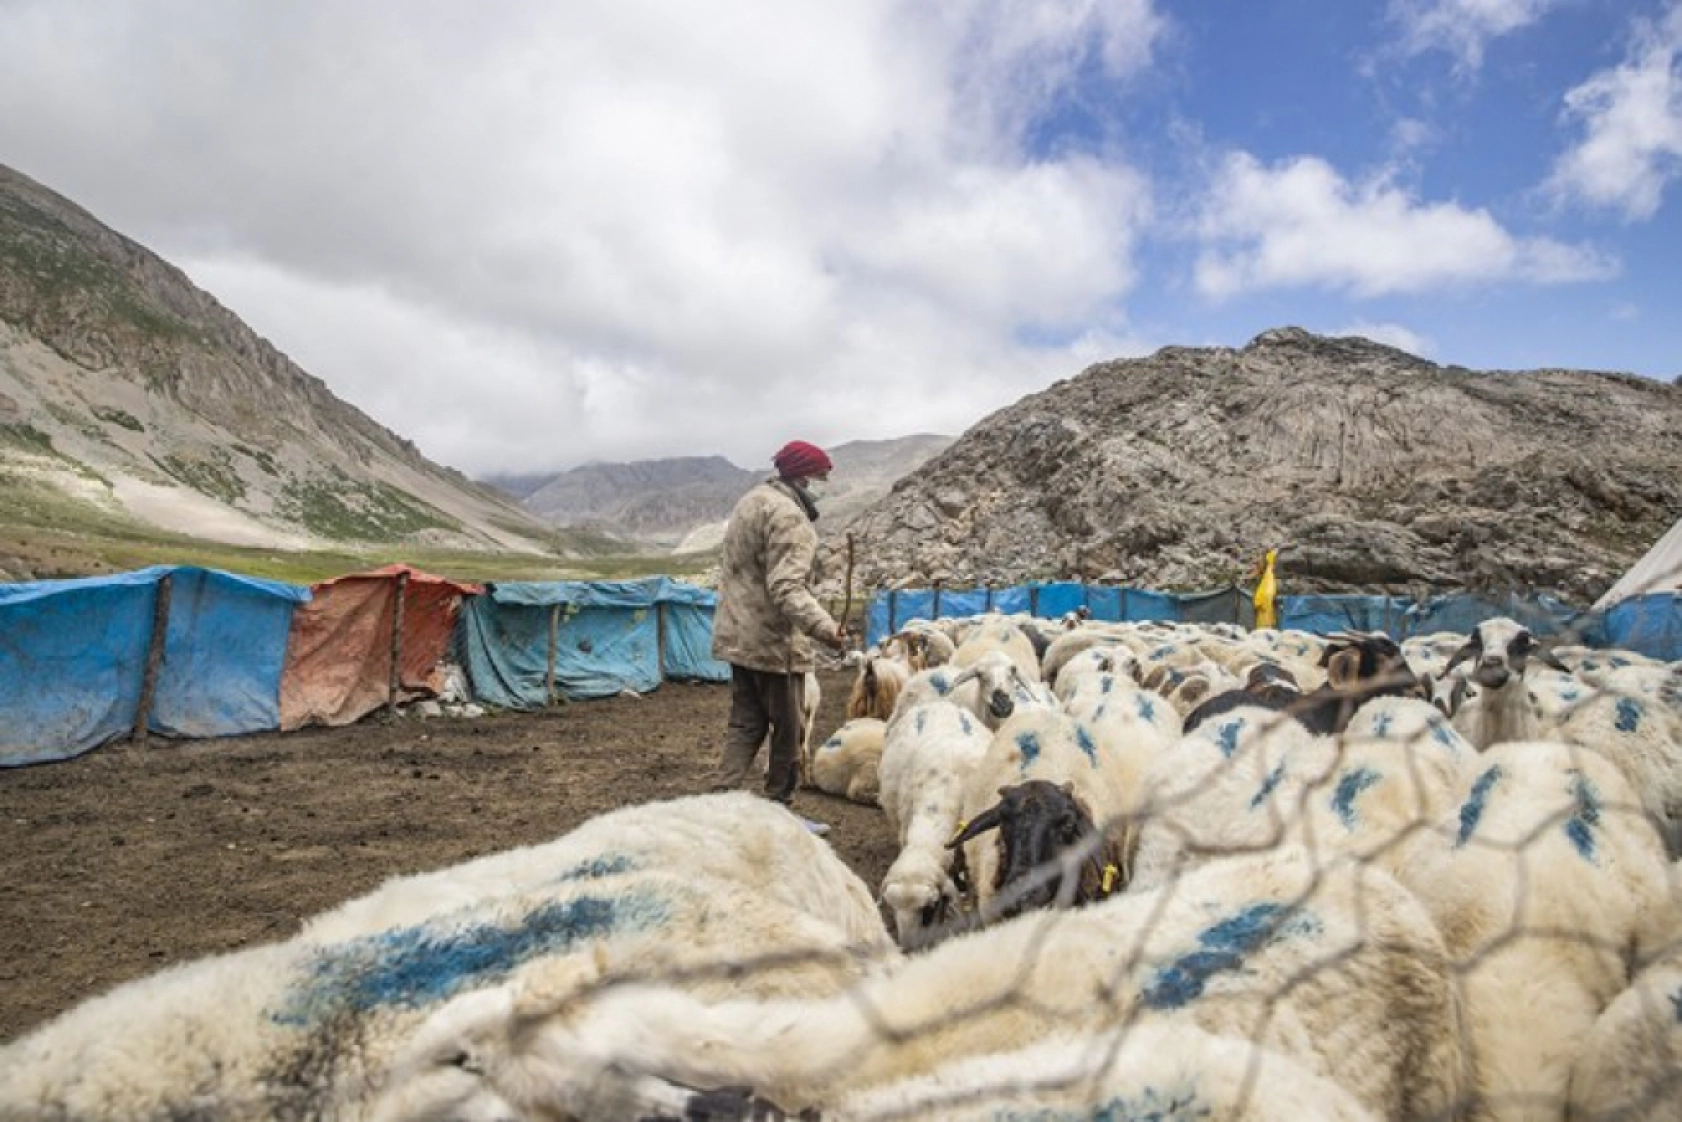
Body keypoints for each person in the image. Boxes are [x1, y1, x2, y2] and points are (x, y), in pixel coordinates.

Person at [710, 439, 847, 832]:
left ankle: (720, 801)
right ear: (804, 475)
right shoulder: (789, 517)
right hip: (773, 641)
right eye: (821, 477)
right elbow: (787, 588)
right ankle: (779, 810)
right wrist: (825, 628)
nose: (822, 485)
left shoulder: (750, 501)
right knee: (790, 725)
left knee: (745, 722)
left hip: (738, 633)